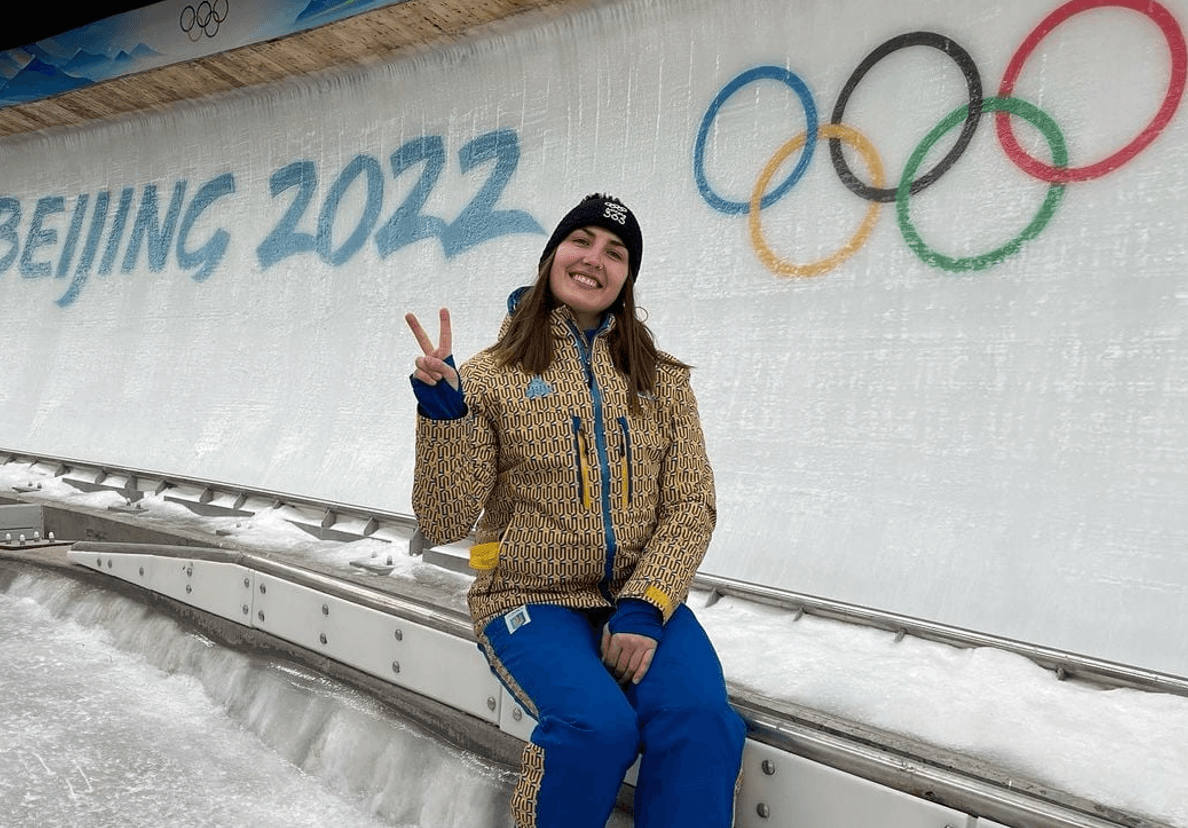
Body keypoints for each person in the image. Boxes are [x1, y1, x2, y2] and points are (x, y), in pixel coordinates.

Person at [406, 193, 746, 827]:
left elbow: (691, 503)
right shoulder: (489, 376)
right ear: (551, 256)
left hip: (640, 597)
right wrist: (445, 417)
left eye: (615, 252)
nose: (595, 259)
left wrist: (645, 604)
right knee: (596, 728)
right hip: (529, 597)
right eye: (581, 241)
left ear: (627, 278)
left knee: (702, 722)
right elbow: (444, 519)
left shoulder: (662, 379)